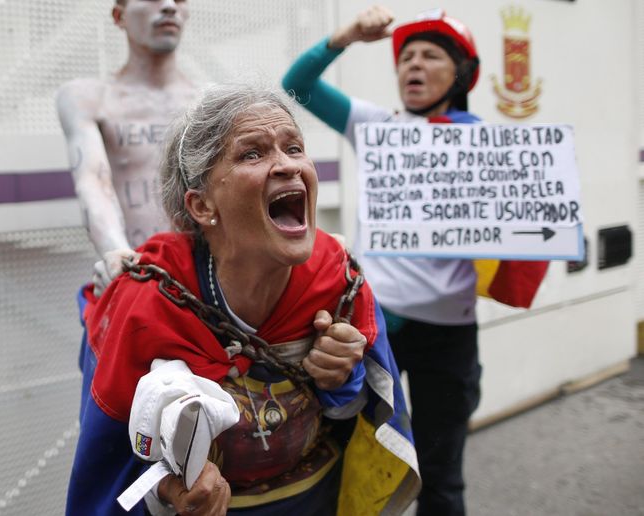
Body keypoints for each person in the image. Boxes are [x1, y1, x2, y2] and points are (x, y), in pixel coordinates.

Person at [66, 84, 420, 515]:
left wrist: (342, 379)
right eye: (252, 154)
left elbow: (361, 422)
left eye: (294, 147)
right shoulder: (144, 303)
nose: (287, 165)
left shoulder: (338, 280)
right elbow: (112, 463)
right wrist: (169, 492)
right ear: (201, 206)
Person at [282, 6, 495, 515]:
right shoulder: (377, 126)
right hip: (370, 328)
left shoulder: (486, 140)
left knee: (441, 474)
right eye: (407, 57)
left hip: (449, 335)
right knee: (339, 453)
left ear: (461, 74)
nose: (413, 66)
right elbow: (297, 85)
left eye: (430, 56)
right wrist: (348, 35)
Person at [56, 0, 196, 285]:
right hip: (132, 271)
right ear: (119, 16)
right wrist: (117, 254)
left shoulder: (207, 101)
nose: (169, 6)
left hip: (205, 276)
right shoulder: (87, 97)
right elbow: (93, 183)